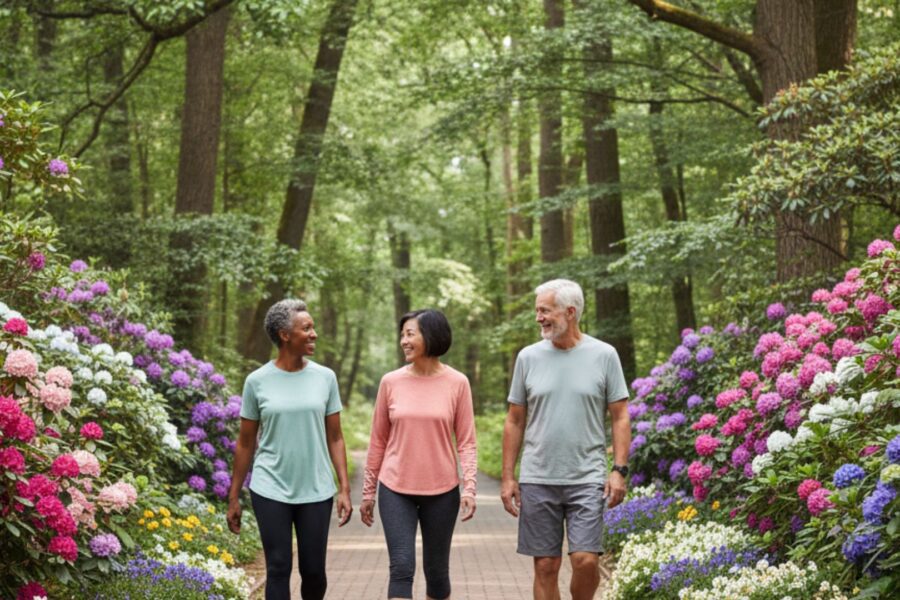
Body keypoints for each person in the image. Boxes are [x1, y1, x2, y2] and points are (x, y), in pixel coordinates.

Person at [500, 279, 631, 600]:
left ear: (570, 312)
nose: (538, 318)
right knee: (545, 564)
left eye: (545, 310)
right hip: (537, 476)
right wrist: (507, 477)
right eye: (537, 311)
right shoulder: (528, 358)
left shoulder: (604, 355)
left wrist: (619, 470)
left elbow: (621, 416)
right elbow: (514, 419)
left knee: (585, 560)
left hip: (586, 477)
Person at [227, 299, 352, 600]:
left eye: (313, 327)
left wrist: (344, 488)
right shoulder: (257, 382)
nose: (314, 334)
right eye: (306, 328)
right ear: (285, 335)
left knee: (314, 573)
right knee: (279, 567)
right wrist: (233, 496)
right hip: (270, 487)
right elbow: (245, 442)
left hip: (316, 488)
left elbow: (335, 437)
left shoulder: (325, 378)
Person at [360, 309, 477, 600]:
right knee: (401, 567)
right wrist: (368, 492)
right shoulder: (390, 382)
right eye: (402, 335)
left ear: (432, 336)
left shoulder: (457, 383)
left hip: (442, 490)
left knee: (437, 572)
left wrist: (470, 487)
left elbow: (466, 441)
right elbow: (378, 440)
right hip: (395, 488)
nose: (403, 341)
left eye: (410, 334)